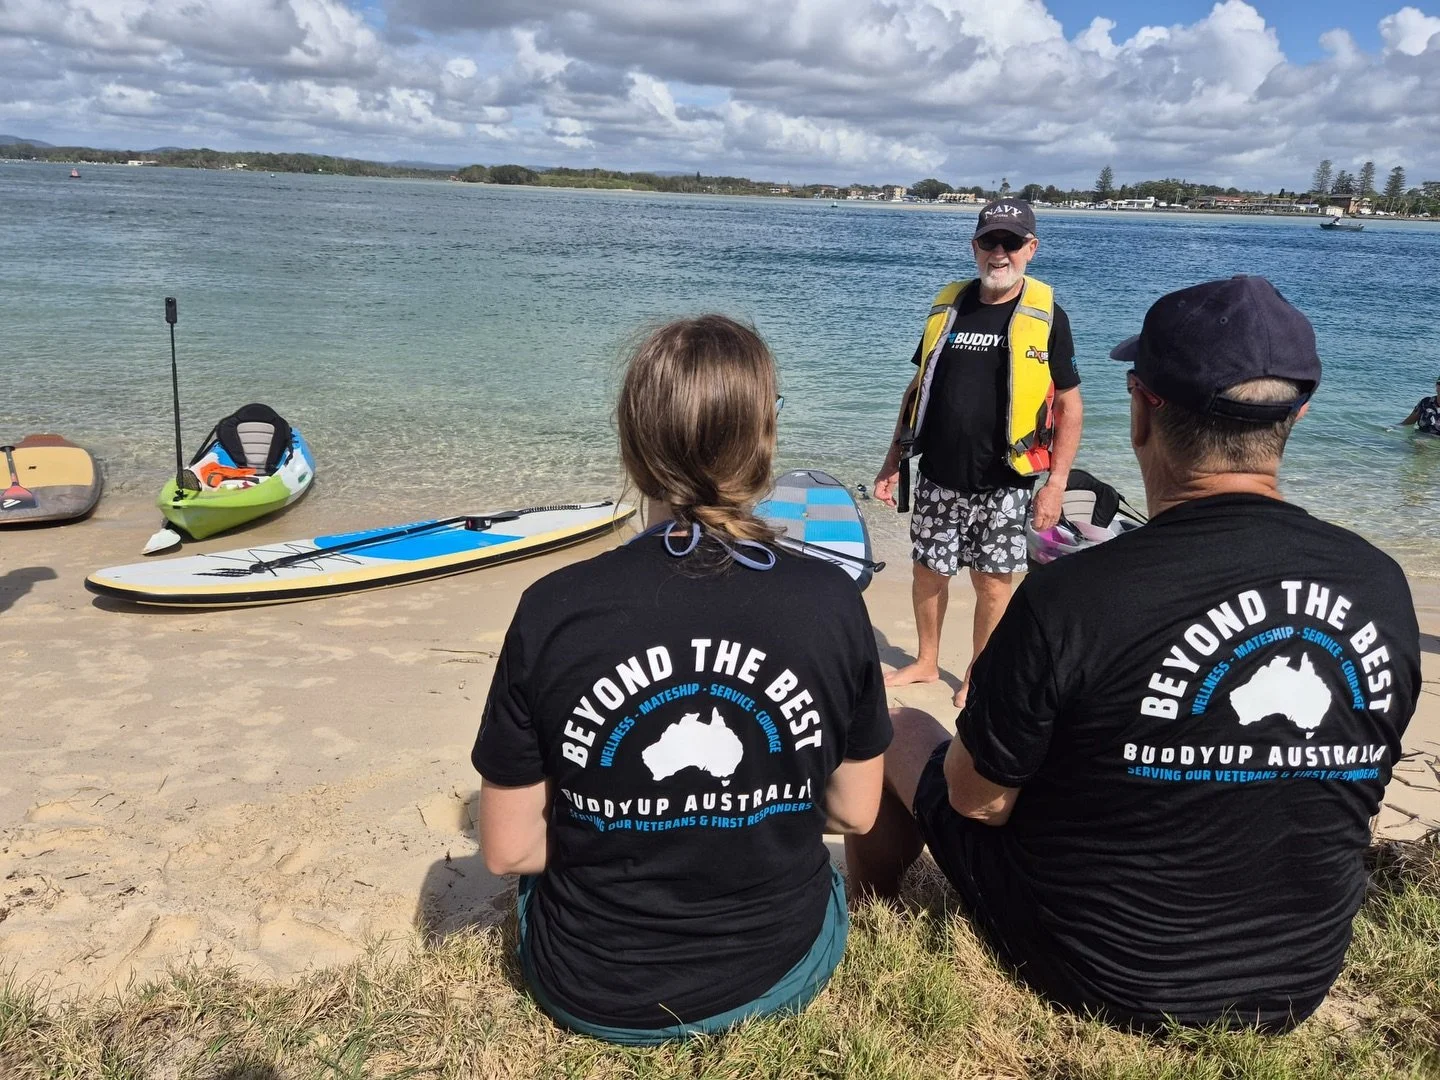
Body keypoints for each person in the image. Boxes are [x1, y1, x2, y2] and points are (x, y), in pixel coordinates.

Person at [847, 275, 1420, 1033]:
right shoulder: (1378, 583)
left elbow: (975, 801)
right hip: (1299, 977)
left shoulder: (1074, 595)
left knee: (904, 727)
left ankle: (866, 914)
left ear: (1142, 410)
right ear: (1297, 416)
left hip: (1104, 972)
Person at [472, 315, 891, 1044]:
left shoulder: (554, 607)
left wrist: (631, 824)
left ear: (633, 444)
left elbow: (509, 851)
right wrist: (746, 817)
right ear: (764, 440)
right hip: (776, 969)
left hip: (589, 984)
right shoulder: (831, 602)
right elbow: (855, 813)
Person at [875, 198, 1083, 708]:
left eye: (1011, 242)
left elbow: (1071, 405)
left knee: (993, 584)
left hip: (1006, 482)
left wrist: (1055, 485)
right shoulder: (949, 306)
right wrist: (891, 462)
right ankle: (926, 661)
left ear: (1030, 249)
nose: (999, 252)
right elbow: (916, 388)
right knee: (929, 572)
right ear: (974, 246)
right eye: (989, 241)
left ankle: (976, 672)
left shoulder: (1047, 316)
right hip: (937, 475)